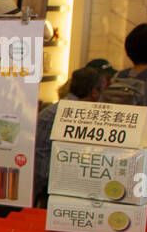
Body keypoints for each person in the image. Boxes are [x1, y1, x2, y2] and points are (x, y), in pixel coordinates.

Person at [34, 66, 102, 206]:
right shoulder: (75, 114)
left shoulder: (58, 109)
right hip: (49, 183)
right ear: (94, 92)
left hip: (40, 179)